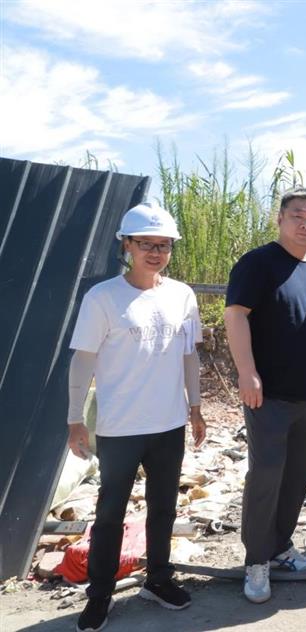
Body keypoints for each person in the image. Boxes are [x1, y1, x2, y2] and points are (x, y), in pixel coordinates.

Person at [68, 203, 205, 632]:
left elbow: (190, 356)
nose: (156, 252)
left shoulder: (182, 294)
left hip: (168, 425)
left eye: (163, 245)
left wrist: (196, 408)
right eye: (146, 244)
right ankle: (100, 596)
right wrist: (75, 419)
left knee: (164, 507)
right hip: (120, 428)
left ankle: (159, 579)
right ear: (126, 245)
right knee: (110, 513)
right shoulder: (103, 297)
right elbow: (82, 361)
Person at [224, 188, 306, 603]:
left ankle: (281, 547)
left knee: (299, 472)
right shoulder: (258, 263)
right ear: (280, 219)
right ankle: (256, 562)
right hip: (267, 392)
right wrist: (246, 372)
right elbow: (236, 315)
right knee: (267, 473)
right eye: (297, 216)